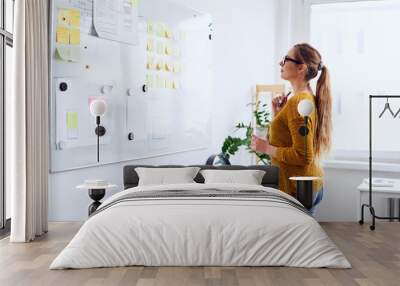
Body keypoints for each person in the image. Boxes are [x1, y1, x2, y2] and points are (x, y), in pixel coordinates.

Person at [251, 43, 332, 215]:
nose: (281, 63)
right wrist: (279, 114)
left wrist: (265, 148)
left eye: (285, 59)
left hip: (299, 189)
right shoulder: (305, 99)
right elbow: (292, 139)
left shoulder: (299, 102)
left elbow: (303, 156)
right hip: (305, 185)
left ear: (301, 67)